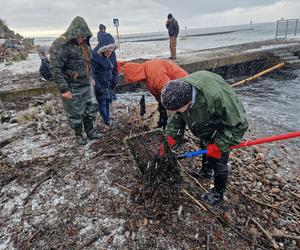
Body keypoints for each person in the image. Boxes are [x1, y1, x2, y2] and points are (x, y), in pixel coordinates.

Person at [161, 70, 249, 205]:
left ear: (189, 102)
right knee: (205, 140)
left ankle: (217, 194)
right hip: (204, 121)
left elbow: (239, 125)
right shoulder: (179, 92)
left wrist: (219, 145)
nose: (177, 112)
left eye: (179, 109)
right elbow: (176, 119)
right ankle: (205, 171)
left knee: (219, 159)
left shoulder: (216, 97)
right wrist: (171, 138)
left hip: (224, 123)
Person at [50, 16, 102, 145]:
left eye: (85, 36)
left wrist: (92, 78)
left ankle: (90, 131)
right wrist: (64, 89)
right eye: (80, 36)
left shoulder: (85, 45)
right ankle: (79, 135)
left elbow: (89, 64)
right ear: (74, 34)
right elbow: (56, 68)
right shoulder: (62, 45)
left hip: (87, 85)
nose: (83, 38)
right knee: (75, 114)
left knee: (91, 110)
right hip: (72, 87)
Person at [120, 59, 188, 128]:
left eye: (136, 80)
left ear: (136, 75)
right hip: (174, 89)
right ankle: (164, 126)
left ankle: (172, 130)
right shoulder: (146, 70)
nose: (137, 82)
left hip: (183, 88)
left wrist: (169, 112)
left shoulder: (154, 73)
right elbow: (157, 91)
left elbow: (168, 92)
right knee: (164, 110)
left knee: (177, 116)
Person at [92, 30, 118, 127]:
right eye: (107, 51)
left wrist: (115, 78)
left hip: (109, 83)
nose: (109, 53)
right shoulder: (95, 55)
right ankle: (107, 120)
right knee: (102, 103)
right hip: (100, 83)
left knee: (108, 101)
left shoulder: (112, 54)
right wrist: (98, 87)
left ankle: (107, 117)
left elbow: (115, 67)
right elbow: (92, 73)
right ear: (103, 49)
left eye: (111, 50)